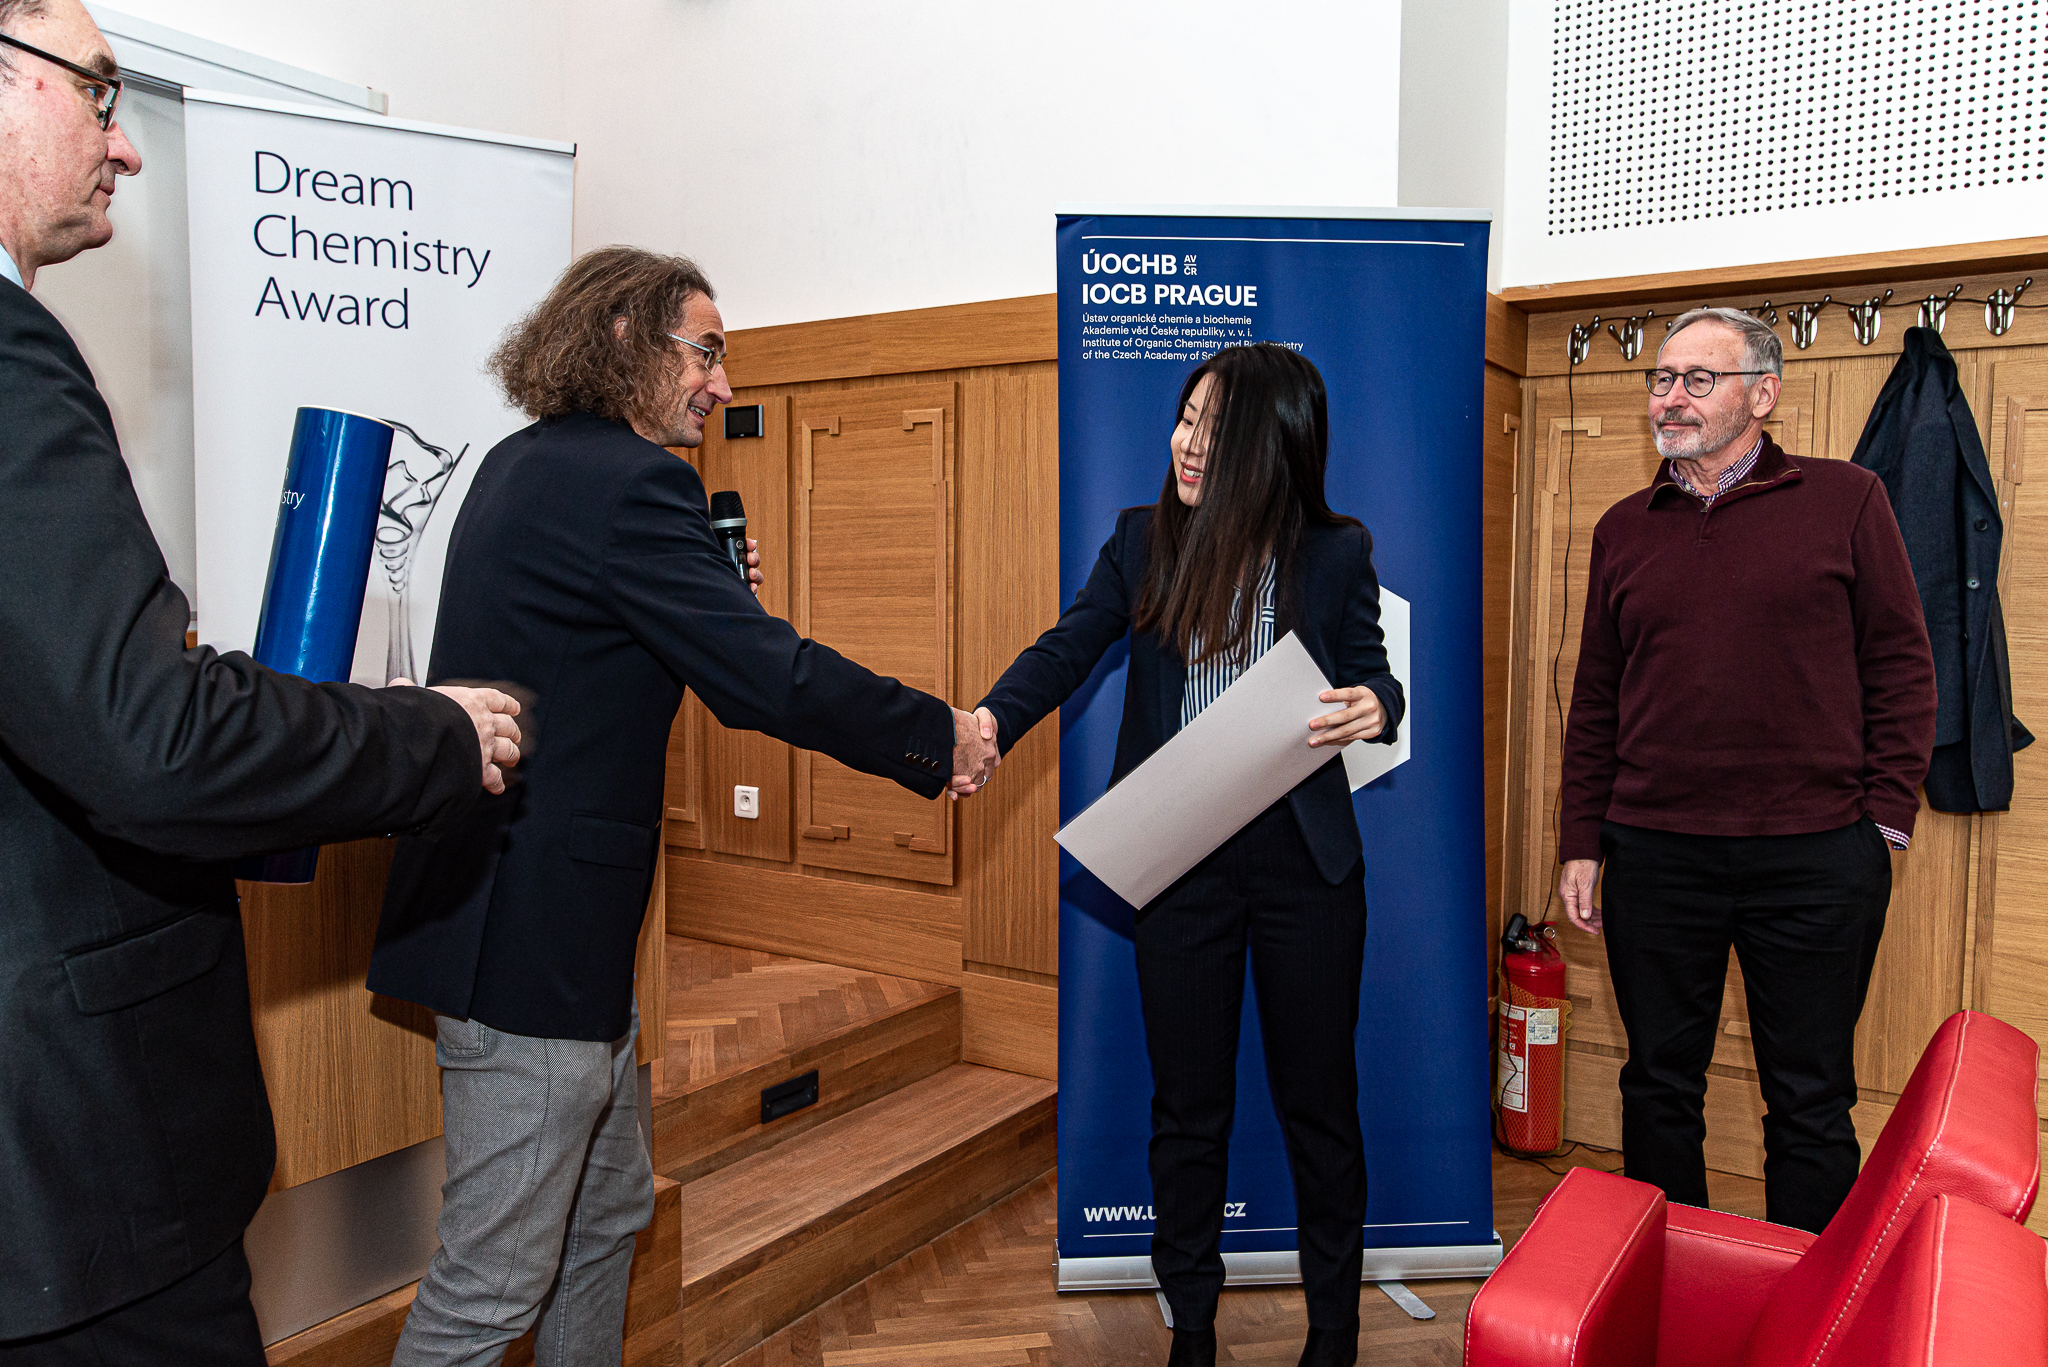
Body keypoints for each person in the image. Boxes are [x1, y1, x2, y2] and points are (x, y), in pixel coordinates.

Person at [0, 2, 524, 1362]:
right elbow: (150, 743)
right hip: (73, 1183)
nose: (124, 147)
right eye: (100, 94)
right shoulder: (7, 361)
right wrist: (433, 734)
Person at [368, 245, 999, 1367]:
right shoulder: (630, 481)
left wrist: (704, 605)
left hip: (540, 935)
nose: (721, 381)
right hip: (531, 946)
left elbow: (623, 656)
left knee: (607, 1218)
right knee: (485, 1292)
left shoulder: (523, 462)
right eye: (704, 351)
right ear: (622, 340)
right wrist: (932, 730)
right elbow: (767, 679)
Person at [971, 343, 1402, 1367]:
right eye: (1183, 418)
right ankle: (1193, 1330)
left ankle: (1332, 1332)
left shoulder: (1335, 551)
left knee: (1320, 1106)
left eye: (1211, 424)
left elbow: (1376, 679)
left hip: (1305, 869)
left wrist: (1374, 703)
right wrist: (990, 719)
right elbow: (1068, 645)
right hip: (1181, 864)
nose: (1184, 441)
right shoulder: (1139, 539)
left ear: (1270, 439)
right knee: (1186, 1109)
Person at [1556, 307, 1936, 1233]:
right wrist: (1580, 842)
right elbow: (1597, 696)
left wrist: (1882, 818)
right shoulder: (1622, 528)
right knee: (1656, 1086)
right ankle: (1668, 1286)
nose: (1671, 396)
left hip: (1814, 859)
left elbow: (1903, 663)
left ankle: (1807, 1305)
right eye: (1661, 377)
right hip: (1655, 855)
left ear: (1762, 395)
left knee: (1809, 1100)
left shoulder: (1847, 499)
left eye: (1698, 379)